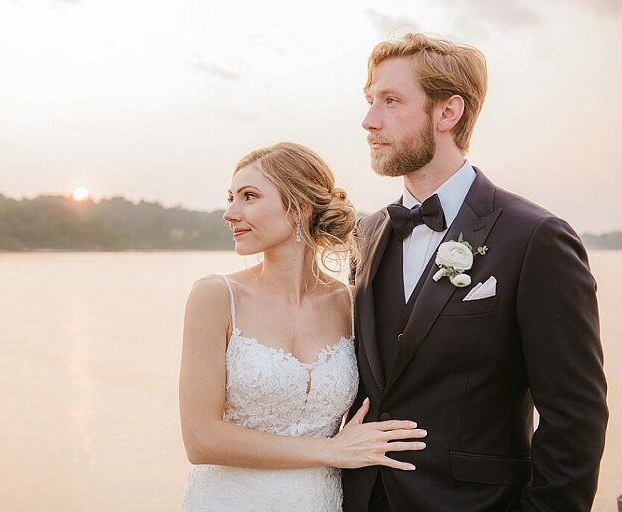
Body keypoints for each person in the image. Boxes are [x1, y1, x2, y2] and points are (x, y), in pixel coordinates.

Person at [343, 33, 608, 511]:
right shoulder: (367, 233)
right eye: (370, 101)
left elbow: (575, 417)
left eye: (390, 101)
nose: (369, 120)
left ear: (448, 112)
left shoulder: (536, 238)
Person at [179, 142, 427, 511]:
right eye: (231, 198)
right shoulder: (215, 297)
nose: (230, 213)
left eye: (249, 196)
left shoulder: (351, 303)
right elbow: (201, 440)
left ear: (299, 208)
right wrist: (332, 450)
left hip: (320, 501)